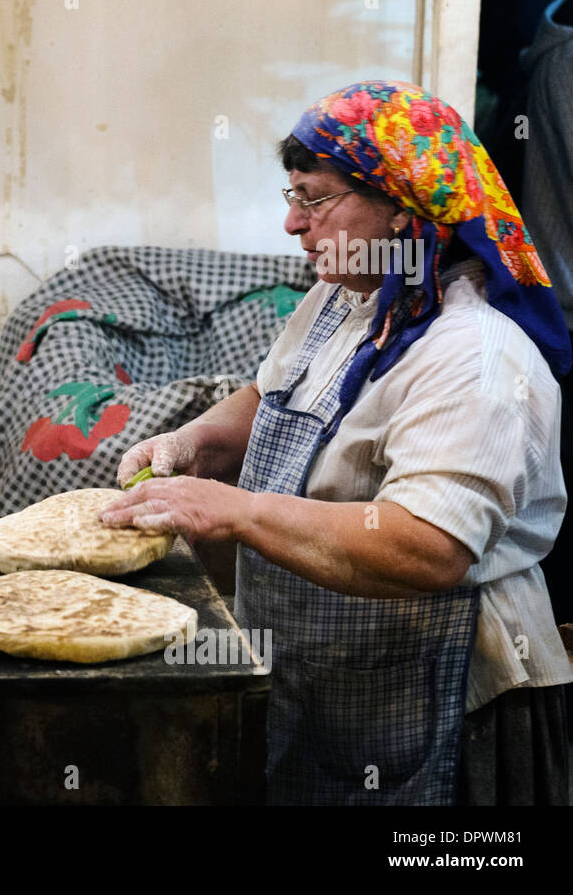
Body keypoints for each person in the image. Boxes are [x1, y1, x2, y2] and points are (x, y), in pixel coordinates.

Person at [101, 80, 572, 806]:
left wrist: (237, 513)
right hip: (335, 677)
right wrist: (194, 443)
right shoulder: (350, 297)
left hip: (448, 700)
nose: (293, 224)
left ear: (402, 206)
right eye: (291, 196)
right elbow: (274, 395)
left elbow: (428, 546)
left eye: (314, 199)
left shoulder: (474, 355)